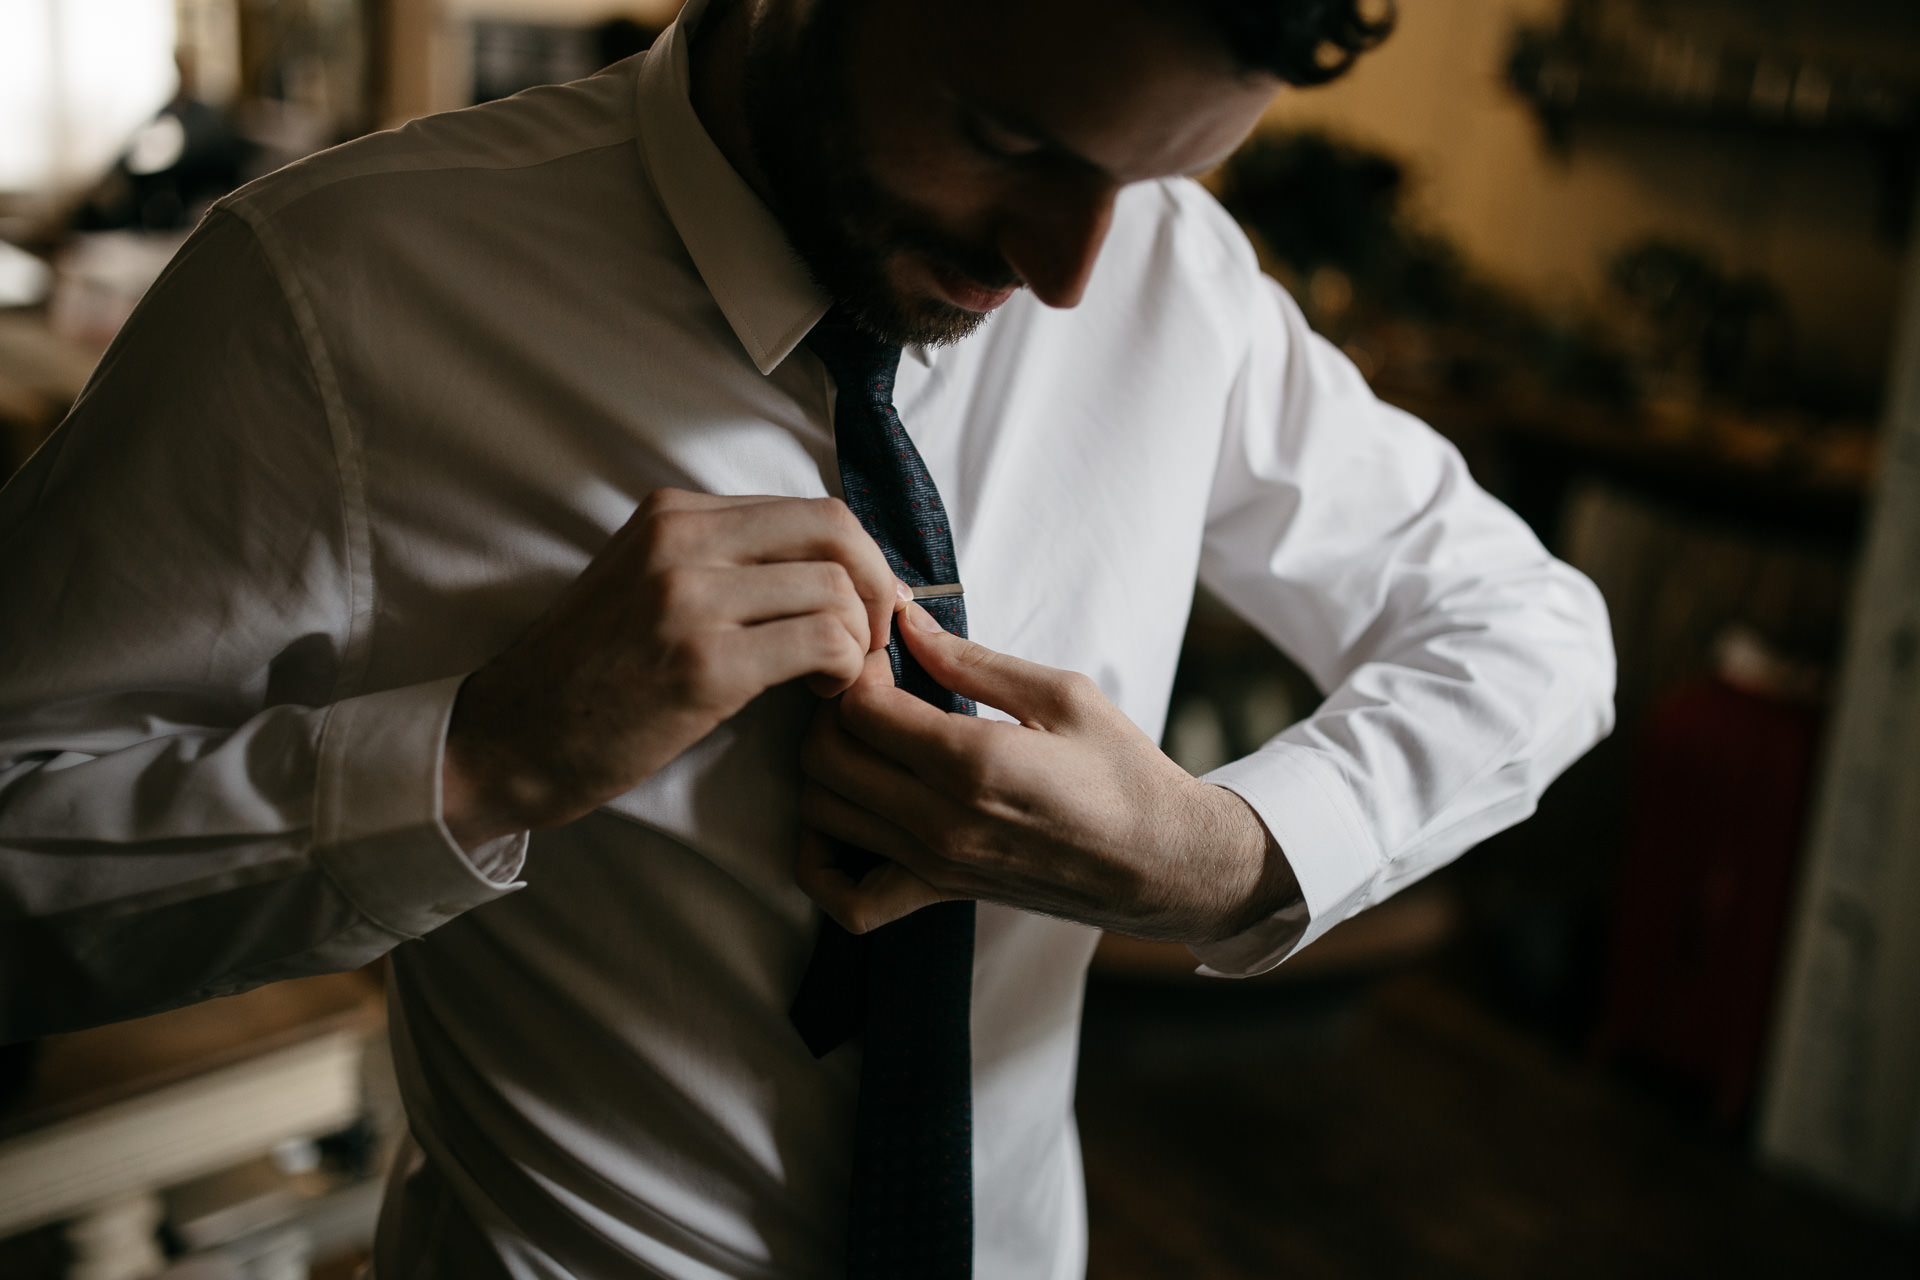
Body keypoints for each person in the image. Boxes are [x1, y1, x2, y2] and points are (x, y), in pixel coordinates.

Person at [0, 0, 1616, 1275]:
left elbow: (1537, 631)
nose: (1064, 270)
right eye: (1004, 137)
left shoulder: (1173, 280)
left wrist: (1218, 851)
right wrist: (478, 760)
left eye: (1149, 175)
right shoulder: (333, 295)